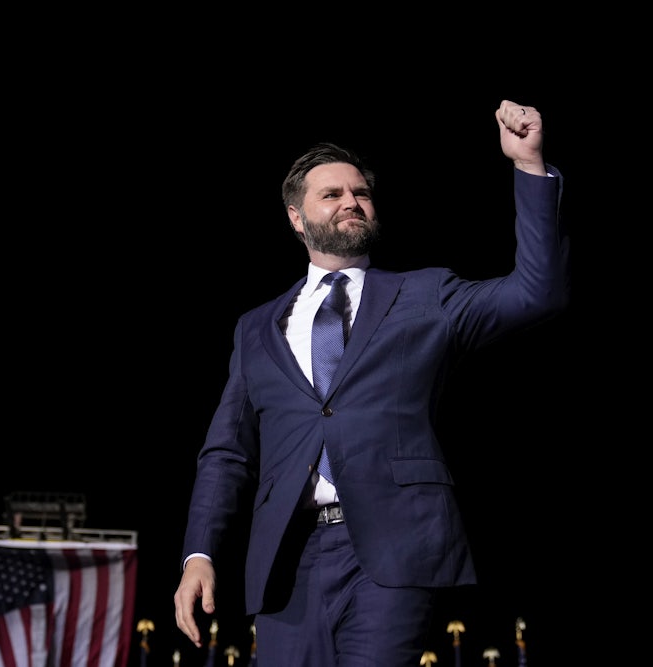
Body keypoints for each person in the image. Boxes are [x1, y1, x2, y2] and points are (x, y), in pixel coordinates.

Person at [173, 99, 570, 666]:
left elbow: (538, 293)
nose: (350, 203)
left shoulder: (426, 294)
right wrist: (198, 554)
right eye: (331, 194)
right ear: (295, 216)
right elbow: (226, 454)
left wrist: (529, 166)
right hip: (287, 561)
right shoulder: (255, 328)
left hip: (392, 551)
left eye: (359, 192)